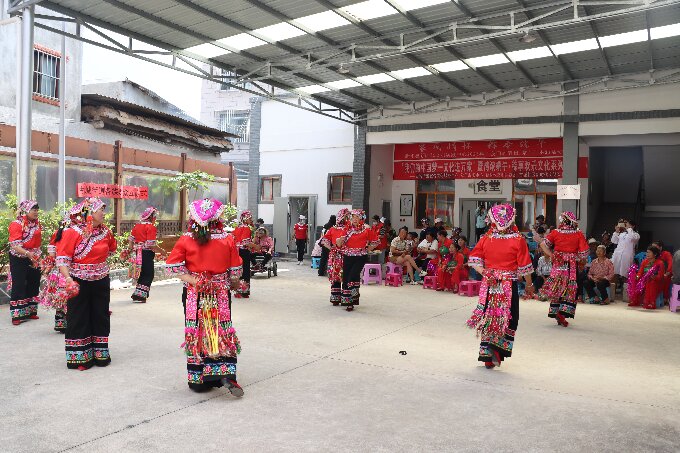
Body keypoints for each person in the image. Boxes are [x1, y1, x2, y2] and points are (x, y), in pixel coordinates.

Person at [166, 198, 244, 395]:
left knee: (198, 332)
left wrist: (196, 281)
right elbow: (235, 272)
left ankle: (199, 380)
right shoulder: (227, 239)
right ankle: (224, 374)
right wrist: (233, 284)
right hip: (220, 293)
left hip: (195, 294)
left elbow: (173, 266)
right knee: (221, 330)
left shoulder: (186, 239)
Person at [466, 204, 534, 369]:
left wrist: (485, 272)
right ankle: (497, 350)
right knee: (509, 317)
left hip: (490, 284)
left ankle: (487, 355)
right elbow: (525, 266)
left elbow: (474, 260)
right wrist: (529, 285)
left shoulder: (486, 238)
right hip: (508, 284)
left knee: (490, 316)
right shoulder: (518, 240)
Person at [57, 198, 117, 370]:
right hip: (79, 280)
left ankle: (100, 354)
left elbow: (112, 249)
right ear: (90, 213)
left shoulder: (105, 231)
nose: (104, 213)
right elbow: (62, 259)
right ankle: (80, 358)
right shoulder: (72, 232)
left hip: (101, 279)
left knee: (100, 315)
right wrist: (68, 279)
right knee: (79, 316)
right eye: (101, 210)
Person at [539, 211, 588, 327]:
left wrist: (552, 255)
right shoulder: (578, 233)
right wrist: (580, 259)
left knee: (558, 286)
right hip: (570, 265)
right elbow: (584, 253)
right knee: (569, 287)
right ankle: (562, 313)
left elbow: (543, 245)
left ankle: (556, 311)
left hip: (558, 264)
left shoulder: (556, 232)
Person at [336, 210, 379, 311]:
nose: (355, 219)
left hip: (360, 256)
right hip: (348, 256)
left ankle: (354, 294)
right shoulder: (347, 229)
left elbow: (376, 241)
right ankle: (349, 303)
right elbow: (339, 244)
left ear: (361, 218)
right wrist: (339, 240)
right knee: (347, 277)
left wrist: (368, 249)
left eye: (357, 217)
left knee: (353, 274)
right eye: (353, 217)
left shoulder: (366, 229)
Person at [8, 200, 42, 325]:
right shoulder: (16, 224)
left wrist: (37, 256)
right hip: (19, 257)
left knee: (34, 281)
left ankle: (30, 311)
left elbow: (38, 242)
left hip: (34, 257)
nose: (36, 212)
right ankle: (17, 315)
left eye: (37, 210)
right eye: (34, 210)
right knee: (19, 284)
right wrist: (28, 253)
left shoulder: (36, 224)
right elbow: (15, 245)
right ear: (26, 210)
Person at [127, 207, 164, 303]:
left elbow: (131, 240)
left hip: (137, 252)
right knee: (148, 274)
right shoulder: (150, 227)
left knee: (142, 272)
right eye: (154, 216)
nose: (155, 218)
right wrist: (162, 251)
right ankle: (140, 295)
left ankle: (137, 294)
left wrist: (130, 250)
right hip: (146, 253)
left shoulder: (137, 226)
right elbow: (151, 244)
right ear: (151, 217)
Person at [320, 208, 350, 306]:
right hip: (339, 256)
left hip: (344, 256)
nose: (347, 219)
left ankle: (339, 298)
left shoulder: (348, 229)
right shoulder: (336, 229)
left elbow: (324, 241)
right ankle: (340, 298)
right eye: (346, 217)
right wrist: (333, 248)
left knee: (342, 276)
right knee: (339, 276)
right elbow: (324, 240)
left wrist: (332, 248)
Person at [628, 246, 665, 310]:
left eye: (649, 252)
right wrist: (636, 277)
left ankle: (651, 303)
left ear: (655, 254)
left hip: (656, 282)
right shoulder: (645, 261)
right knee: (635, 280)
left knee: (650, 281)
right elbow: (640, 272)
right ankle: (635, 300)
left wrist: (654, 277)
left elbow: (660, 276)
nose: (647, 254)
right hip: (645, 279)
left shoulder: (660, 263)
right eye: (647, 252)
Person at [611, 220, 640, 292]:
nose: (626, 226)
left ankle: (625, 293)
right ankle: (612, 292)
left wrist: (629, 229)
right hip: (617, 255)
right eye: (626, 224)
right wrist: (616, 231)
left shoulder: (636, 235)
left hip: (627, 256)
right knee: (614, 273)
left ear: (633, 226)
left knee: (625, 274)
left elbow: (631, 237)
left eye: (628, 224)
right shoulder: (622, 234)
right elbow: (614, 241)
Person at [232, 211, 254, 298]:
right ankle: (244, 291)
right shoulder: (246, 228)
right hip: (244, 251)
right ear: (245, 219)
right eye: (250, 218)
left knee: (239, 271)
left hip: (237, 252)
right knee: (245, 271)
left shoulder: (237, 227)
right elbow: (246, 242)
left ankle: (238, 290)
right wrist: (255, 246)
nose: (251, 220)